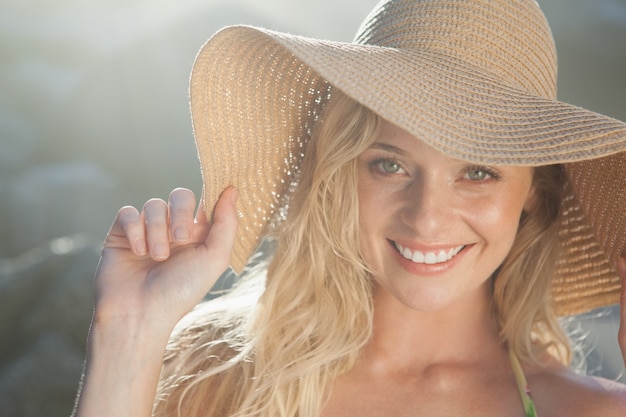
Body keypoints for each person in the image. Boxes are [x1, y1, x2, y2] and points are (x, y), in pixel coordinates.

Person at [72, 0, 626, 416]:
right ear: (340, 171)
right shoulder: (209, 374)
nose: (427, 217)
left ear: (535, 192)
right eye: (389, 165)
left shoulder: (592, 411)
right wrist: (129, 333)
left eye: (477, 172)